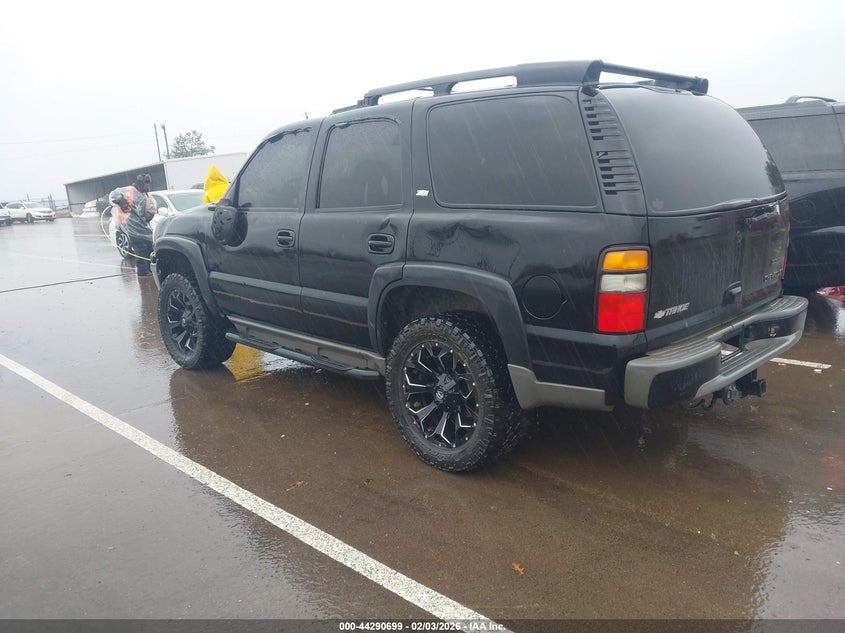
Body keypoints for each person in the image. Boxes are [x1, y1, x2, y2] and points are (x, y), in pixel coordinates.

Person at [110, 174, 156, 277]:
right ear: (140, 183)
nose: (148, 186)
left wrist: (148, 216)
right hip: (132, 229)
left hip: (144, 229)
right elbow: (113, 195)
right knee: (140, 252)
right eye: (146, 183)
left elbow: (152, 209)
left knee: (150, 251)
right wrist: (121, 202)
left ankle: (151, 272)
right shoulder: (129, 191)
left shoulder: (147, 196)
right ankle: (143, 275)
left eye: (149, 183)